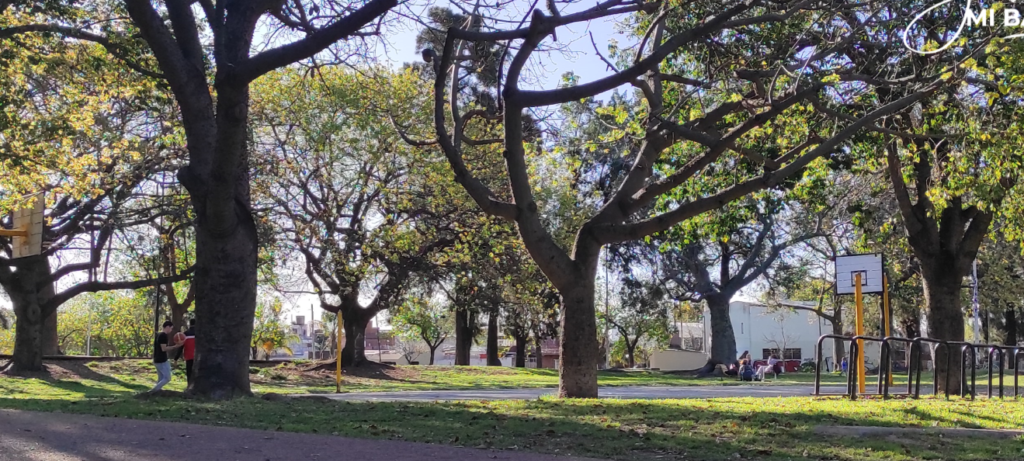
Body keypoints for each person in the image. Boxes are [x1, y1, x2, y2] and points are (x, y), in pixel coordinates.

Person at [151, 321, 182, 392]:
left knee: (161, 378)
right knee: (167, 378)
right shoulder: (163, 335)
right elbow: (164, 348)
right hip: (161, 360)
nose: (171, 330)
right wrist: (175, 346)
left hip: (156, 359)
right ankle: (153, 391)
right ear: (167, 327)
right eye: (171, 328)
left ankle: (157, 391)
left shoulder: (158, 334)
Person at [183, 319, 196, 386]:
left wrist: (176, 357)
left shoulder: (185, 334)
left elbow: (181, 346)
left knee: (189, 372)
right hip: (197, 356)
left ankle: (189, 385)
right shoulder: (199, 334)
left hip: (188, 355)